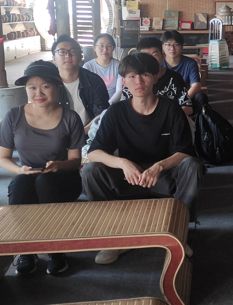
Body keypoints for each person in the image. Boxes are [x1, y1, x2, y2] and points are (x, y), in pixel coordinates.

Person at [82, 52, 205, 265]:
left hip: (163, 175)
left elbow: (185, 150)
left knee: (193, 165)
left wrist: (159, 167)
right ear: (124, 81)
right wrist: (123, 163)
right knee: (90, 170)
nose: (138, 81)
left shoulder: (171, 109)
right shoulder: (115, 112)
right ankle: (112, 238)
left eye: (145, 75)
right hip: (129, 176)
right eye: (131, 76)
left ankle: (179, 232)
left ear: (155, 78)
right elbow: (94, 152)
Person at [0, 61, 86, 276]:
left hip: (63, 177)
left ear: (57, 87)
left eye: (45, 86)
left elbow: (75, 160)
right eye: (32, 87)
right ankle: (27, 249)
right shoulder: (13, 116)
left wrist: (59, 165)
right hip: (27, 174)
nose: (38, 93)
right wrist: (20, 170)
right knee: (20, 184)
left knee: (45, 182)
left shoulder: (70, 117)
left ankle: (56, 249)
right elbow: (3, 158)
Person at [118, 37, 193, 116]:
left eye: (154, 55)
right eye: (145, 56)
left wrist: (164, 118)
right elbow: (123, 108)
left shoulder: (175, 78)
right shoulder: (133, 80)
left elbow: (187, 107)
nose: (150, 60)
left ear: (162, 56)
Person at [51, 35, 110, 133]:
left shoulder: (95, 81)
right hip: (57, 135)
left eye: (73, 51)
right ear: (54, 58)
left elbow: (101, 114)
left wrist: (80, 134)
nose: (68, 55)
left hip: (88, 133)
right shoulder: (48, 83)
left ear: (80, 57)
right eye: (62, 52)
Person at [161, 30, 208, 113]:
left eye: (176, 44)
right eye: (168, 44)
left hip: (185, 98)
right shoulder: (158, 64)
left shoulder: (190, 63)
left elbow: (196, 85)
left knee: (201, 97)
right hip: (163, 99)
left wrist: (182, 100)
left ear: (182, 47)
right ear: (163, 47)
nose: (172, 48)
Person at [82, 33, 124, 103]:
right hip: (94, 104)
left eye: (109, 46)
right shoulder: (87, 67)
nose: (105, 49)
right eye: (101, 46)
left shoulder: (119, 65)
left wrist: (108, 105)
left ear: (113, 48)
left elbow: (119, 91)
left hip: (113, 104)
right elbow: (87, 92)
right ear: (94, 48)